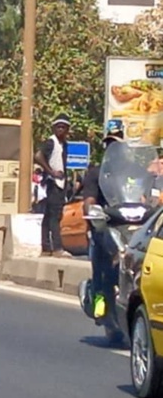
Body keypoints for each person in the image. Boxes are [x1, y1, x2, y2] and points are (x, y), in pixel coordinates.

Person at [82, 120, 124, 319]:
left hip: (127, 225)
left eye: (117, 144)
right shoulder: (96, 173)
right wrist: (93, 212)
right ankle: (99, 296)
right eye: (109, 144)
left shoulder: (129, 172)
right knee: (101, 261)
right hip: (104, 225)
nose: (113, 148)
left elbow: (141, 194)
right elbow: (89, 199)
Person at [35, 114, 70, 257]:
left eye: (63, 127)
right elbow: (38, 156)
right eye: (58, 127)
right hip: (53, 183)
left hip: (60, 183)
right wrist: (51, 172)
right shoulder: (51, 142)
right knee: (55, 215)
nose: (60, 130)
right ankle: (57, 248)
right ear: (54, 128)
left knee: (49, 215)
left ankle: (46, 247)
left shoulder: (64, 144)